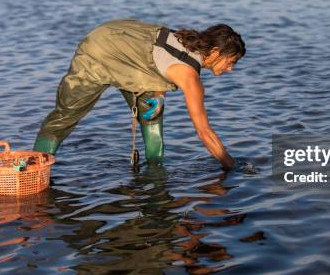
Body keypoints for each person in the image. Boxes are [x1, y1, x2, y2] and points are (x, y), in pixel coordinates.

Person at [33, 18, 245, 169]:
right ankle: (36, 168)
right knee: (65, 115)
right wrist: (231, 165)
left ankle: (155, 175)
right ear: (215, 52)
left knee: (152, 115)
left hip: (121, 41)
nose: (230, 69)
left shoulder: (188, 43)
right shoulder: (191, 77)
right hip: (99, 49)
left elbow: (160, 62)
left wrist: (159, 95)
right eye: (231, 62)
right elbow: (204, 132)